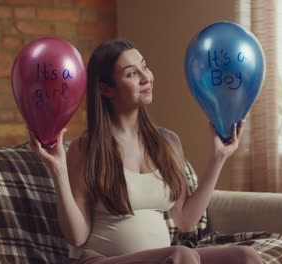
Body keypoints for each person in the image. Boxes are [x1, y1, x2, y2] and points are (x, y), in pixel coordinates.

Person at [30, 39, 262, 264]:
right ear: (106, 89)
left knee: (245, 257)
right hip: (102, 260)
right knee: (181, 255)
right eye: (132, 74)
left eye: (145, 67)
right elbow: (77, 236)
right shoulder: (86, 149)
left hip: (166, 259)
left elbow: (186, 220)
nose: (146, 78)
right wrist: (58, 170)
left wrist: (219, 158)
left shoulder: (168, 142)